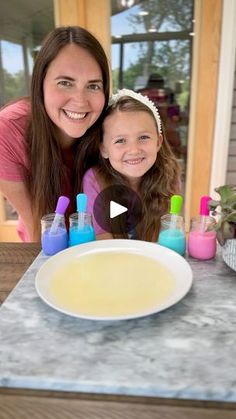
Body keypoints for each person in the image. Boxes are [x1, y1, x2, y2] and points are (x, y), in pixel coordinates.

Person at [0, 26, 110, 242]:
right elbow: (36, 228)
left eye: (93, 86)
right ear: (39, 84)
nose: (80, 101)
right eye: (65, 83)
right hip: (46, 245)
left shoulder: (112, 127)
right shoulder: (7, 132)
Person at [82, 89, 181, 242]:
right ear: (104, 149)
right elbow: (102, 238)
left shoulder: (169, 176)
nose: (134, 150)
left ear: (158, 142)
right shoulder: (94, 180)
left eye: (143, 137)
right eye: (120, 141)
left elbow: (166, 236)